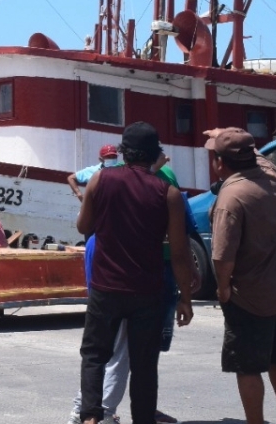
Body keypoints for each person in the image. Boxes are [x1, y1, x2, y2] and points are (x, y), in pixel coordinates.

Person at [76, 122, 193, 424]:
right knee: (144, 365)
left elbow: (83, 226)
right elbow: (179, 253)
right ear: (155, 155)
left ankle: (90, 418)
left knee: (94, 356)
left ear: (123, 153)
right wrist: (186, 298)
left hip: (106, 286)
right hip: (147, 291)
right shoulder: (169, 194)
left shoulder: (100, 180)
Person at [207, 127, 276, 424]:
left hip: (249, 298)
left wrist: (223, 289)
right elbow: (259, 158)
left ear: (220, 163)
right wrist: (231, 135)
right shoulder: (271, 176)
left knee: (248, 368)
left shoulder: (231, 198)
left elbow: (222, 257)